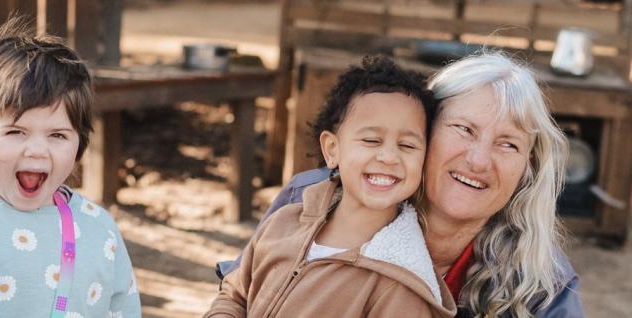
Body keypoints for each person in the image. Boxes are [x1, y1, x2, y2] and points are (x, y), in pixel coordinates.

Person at [221, 53, 583, 317]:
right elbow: (241, 289)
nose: (478, 160)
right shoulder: (308, 199)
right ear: (425, 129)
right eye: (464, 129)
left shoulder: (544, 284)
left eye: (508, 144)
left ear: (527, 167)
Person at [207, 56, 452, 317]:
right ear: (332, 149)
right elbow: (234, 296)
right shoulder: (284, 222)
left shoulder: (401, 284)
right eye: (371, 140)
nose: (389, 157)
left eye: (407, 146)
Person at [0, 19, 141, 317]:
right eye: (16, 132)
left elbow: (123, 308)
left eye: (57, 135)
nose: (37, 150)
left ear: (79, 143)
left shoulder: (100, 229)